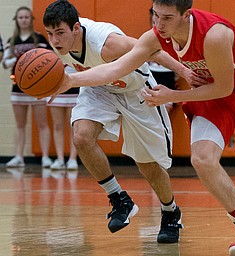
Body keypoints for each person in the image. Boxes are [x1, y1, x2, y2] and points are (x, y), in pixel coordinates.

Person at [53, 1, 235, 255]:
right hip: (210, 96)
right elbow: (117, 68)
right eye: (156, 15)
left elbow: (225, 88)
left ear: (186, 15)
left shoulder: (214, 34)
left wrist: (170, 96)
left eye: (167, 18)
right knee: (201, 159)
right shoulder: (155, 36)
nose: (159, 24)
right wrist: (69, 80)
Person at [42, 0, 203, 243]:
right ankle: (119, 199)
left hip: (136, 91)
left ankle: (170, 212)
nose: (54, 40)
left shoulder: (107, 43)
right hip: (99, 89)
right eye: (50, 34)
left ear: (76, 28)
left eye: (60, 33)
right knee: (81, 136)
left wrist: (184, 72)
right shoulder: (57, 46)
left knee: (147, 165)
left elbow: (152, 50)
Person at [3, 6, 53, 168]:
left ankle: (45, 157)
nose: (23, 20)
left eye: (26, 17)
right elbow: (4, 63)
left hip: (37, 88)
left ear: (31, 20)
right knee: (19, 124)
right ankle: (19, 156)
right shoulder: (12, 40)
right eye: (20, 17)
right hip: (18, 88)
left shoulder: (39, 39)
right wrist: (15, 60)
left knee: (42, 123)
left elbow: (51, 59)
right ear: (16, 20)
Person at [47, 65, 79, 170]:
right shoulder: (48, 49)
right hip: (55, 87)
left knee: (73, 125)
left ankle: (73, 159)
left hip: (75, 88)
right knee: (57, 125)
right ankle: (60, 158)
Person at [148, 7, 178, 114]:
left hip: (167, 81)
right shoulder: (148, 41)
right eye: (154, 22)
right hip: (151, 80)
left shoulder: (175, 40)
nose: (158, 25)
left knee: (163, 116)